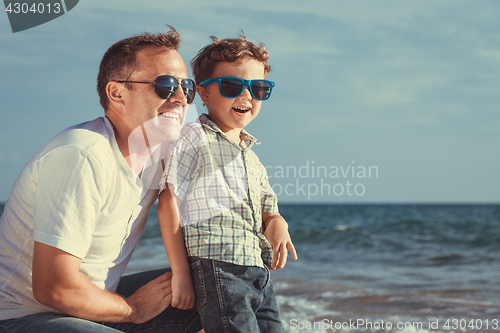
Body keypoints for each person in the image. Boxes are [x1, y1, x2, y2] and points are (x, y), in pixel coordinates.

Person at [0, 27, 203, 333]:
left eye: (186, 87)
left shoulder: (158, 153)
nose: (180, 98)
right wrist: (132, 309)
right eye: (165, 85)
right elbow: (54, 288)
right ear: (117, 93)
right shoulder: (81, 155)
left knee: (219, 289)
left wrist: (270, 217)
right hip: (23, 317)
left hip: (94, 306)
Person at [157, 34, 298, 333]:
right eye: (233, 86)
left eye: (258, 88)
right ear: (204, 94)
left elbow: (267, 211)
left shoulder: (252, 157)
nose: (247, 96)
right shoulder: (194, 138)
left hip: (257, 270)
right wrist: (181, 273)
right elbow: (169, 205)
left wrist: (277, 221)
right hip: (218, 266)